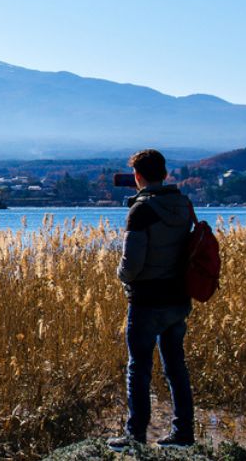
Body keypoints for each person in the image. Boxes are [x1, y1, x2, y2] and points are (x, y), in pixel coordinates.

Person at [107, 149, 195, 450]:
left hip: (146, 301)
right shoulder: (183, 204)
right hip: (178, 298)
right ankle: (183, 433)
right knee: (175, 367)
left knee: (139, 368)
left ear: (137, 177)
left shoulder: (141, 210)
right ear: (165, 174)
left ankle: (135, 437)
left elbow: (131, 265)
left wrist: (120, 274)